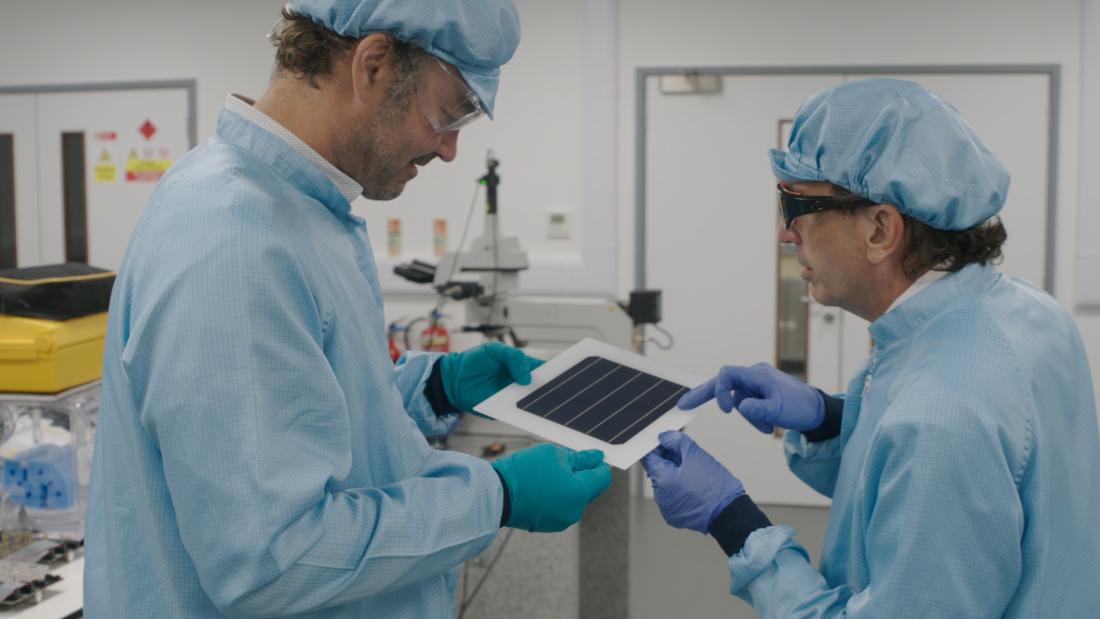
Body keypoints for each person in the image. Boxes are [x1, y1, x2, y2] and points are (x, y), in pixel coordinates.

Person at [84, 1, 611, 617]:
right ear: (375, 66)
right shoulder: (232, 240)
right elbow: (274, 559)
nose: (449, 151)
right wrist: (495, 497)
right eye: (449, 112)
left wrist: (433, 388)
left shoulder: (297, 209)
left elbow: (298, 412)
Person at [642, 78, 1100, 617]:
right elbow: (928, 501)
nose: (785, 235)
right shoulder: (1023, 310)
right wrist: (828, 418)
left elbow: (932, 455)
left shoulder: (939, 417)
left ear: (881, 229)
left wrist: (731, 519)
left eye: (795, 205)